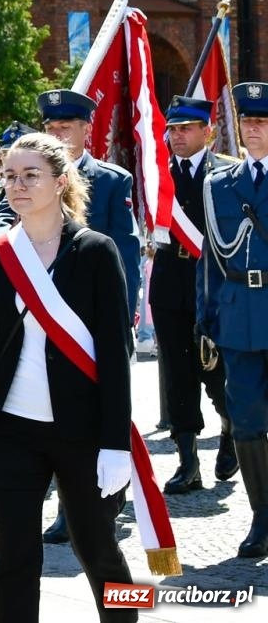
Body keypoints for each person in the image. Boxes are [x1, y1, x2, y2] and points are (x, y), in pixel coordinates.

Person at [0, 132, 135, 621]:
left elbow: (117, 355)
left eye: (30, 175)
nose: (17, 185)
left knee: (101, 553)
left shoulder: (97, 251)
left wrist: (115, 442)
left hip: (83, 430)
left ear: (60, 182)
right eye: (9, 175)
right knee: (13, 559)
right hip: (11, 429)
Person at [35, 89, 141, 544]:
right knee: (60, 412)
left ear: (85, 130)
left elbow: (128, 254)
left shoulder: (112, 181)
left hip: (97, 316)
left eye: (66, 127)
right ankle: (70, 506)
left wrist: (124, 317)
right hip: (47, 316)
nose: (57, 134)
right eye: (50, 128)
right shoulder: (33, 178)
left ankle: (109, 497)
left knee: (104, 409)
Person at [199, 81, 268, 558]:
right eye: (247, 120)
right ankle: (261, 513)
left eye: (262, 121)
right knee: (244, 416)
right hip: (239, 312)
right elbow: (211, 256)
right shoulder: (220, 184)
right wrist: (205, 320)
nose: (253, 128)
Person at [151, 96, 233, 494]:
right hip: (169, 281)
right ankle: (188, 461)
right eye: (171, 129)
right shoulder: (156, 176)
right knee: (178, 373)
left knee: (214, 369)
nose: (176, 136)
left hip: (212, 282)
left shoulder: (225, 174)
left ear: (208, 132)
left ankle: (231, 427)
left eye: (185, 128)